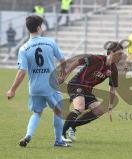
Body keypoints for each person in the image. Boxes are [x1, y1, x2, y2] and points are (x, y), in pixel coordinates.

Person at [6, 15, 70, 147]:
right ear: (39, 27)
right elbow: (63, 61)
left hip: (34, 87)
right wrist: (63, 75)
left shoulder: (23, 48)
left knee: (37, 112)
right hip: (50, 86)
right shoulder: (50, 42)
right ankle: (58, 141)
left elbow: (22, 71)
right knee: (58, 110)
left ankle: (28, 135)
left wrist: (12, 90)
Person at [60, 42, 124, 142]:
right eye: (119, 54)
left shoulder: (113, 70)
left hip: (87, 90)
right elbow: (77, 62)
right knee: (79, 107)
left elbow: (112, 88)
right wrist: (65, 76)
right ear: (111, 53)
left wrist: (110, 105)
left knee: (100, 109)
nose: (121, 56)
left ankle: (72, 126)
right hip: (76, 84)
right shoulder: (96, 59)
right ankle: (61, 134)